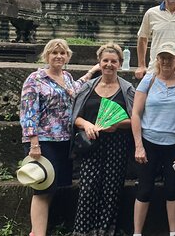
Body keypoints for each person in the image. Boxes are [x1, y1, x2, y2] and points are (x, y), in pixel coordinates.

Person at [19, 38, 96, 236]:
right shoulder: (35, 79)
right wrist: (34, 143)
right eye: (54, 53)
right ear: (46, 56)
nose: (59, 56)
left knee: (50, 187)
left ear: (68, 56)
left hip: (63, 140)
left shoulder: (67, 77)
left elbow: (76, 89)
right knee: (42, 189)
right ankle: (37, 233)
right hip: (43, 141)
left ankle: (37, 231)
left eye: (62, 53)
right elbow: (28, 113)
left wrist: (91, 72)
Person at [131, 41, 175, 236]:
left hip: (174, 144)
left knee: (172, 189)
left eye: (170, 57)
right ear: (157, 59)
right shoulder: (148, 81)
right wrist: (139, 146)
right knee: (144, 189)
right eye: (162, 57)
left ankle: (173, 232)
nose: (166, 61)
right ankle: (137, 233)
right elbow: (136, 113)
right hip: (149, 141)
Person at [72, 42, 136, 236]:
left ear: (120, 63)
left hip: (117, 144)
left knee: (111, 189)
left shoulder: (127, 89)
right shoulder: (88, 87)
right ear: (99, 63)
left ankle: (105, 230)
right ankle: (83, 231)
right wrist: (87, 124)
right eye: (105, 61)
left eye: (113, 61)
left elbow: (135, 119)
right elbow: (74, 116)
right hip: (91, 142)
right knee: (88, 188)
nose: (109, 64)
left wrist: (117, 124)